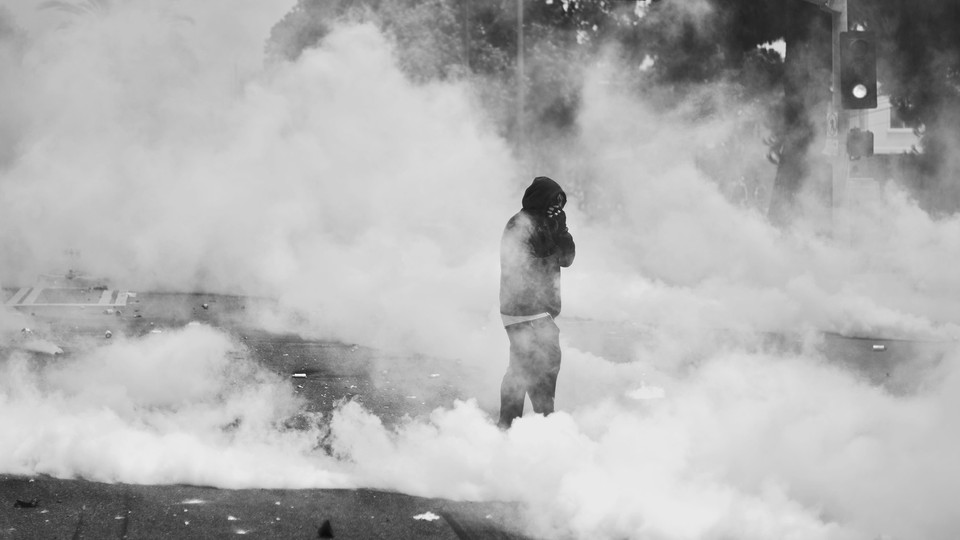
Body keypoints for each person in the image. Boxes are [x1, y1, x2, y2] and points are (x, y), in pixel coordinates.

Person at [498, 176, 575, 429]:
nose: (558, 209)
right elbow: (525, 267)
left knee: (527, 366)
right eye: (554, 203)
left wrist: (562, 231)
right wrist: (553, 242)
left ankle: (512, 426)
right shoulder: (519, 225)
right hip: (522, 309)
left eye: (561, 205)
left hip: (539, 311)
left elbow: (567, 259)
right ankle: (540, 423)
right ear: (541, 200)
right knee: (540, 363)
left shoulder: (548, 223)